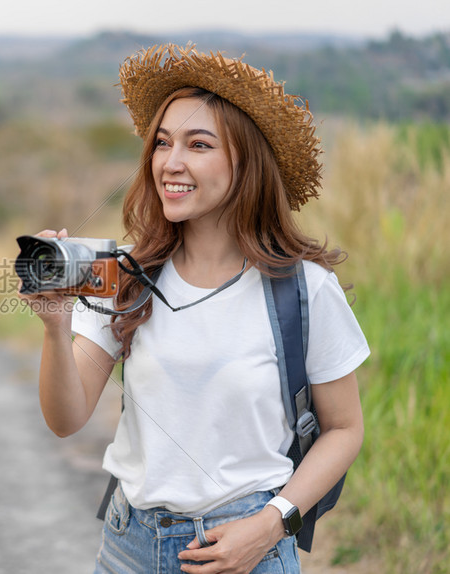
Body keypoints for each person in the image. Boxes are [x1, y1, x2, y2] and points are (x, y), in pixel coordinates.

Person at [18, 44, 369, 573]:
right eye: (162, 143)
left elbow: (344, 429)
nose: (170, 162)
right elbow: (66, 419)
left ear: (244, 162)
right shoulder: (125, 278)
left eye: (198, 144)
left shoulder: (304, 290)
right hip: (127, 546)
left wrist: (273, 524)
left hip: (247, 547)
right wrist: (54, 327)